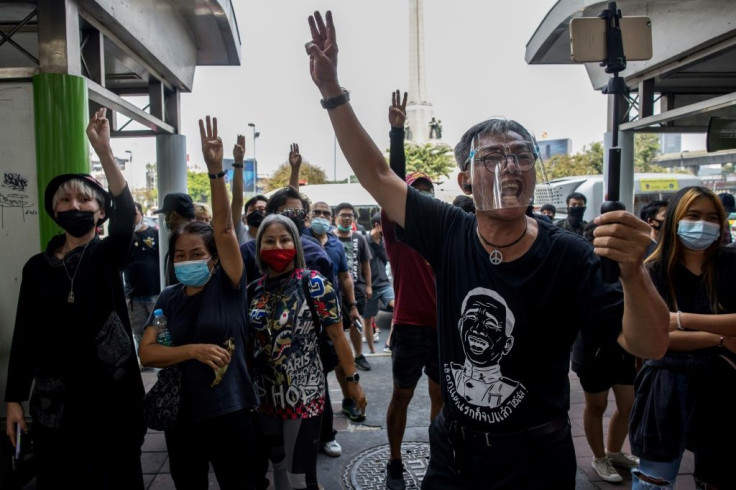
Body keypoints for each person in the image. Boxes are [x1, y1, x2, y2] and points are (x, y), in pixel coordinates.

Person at [305, 11, 669, 487]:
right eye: (492, 157)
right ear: (464, 179)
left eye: (521, 155)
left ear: (534, 172)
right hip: (453, 455)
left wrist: (633, 272)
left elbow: (650, 344)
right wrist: (333, 92)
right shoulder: (449, 231)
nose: (509, 166)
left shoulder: (571, 256)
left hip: (536, 458)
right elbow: (378, 176)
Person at [5, 107, 146, 489]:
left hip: (112, 401)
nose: (74, 207)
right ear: (54, 211)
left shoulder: (107, 253)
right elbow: (25, 336)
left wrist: (103, 152)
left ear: (100, 213)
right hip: (55, 406)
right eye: (65, 201)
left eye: (85, 201)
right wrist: (14, 399)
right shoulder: (37, 267)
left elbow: (126, 216)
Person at [138, 116, 259, 490]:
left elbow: (225, 228)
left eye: (196, 253)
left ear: (214, 257)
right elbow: (148, 352)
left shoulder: (229, 285)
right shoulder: (169, 298)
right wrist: (191, 350)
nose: (187, 261)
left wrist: (216, 171)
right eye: (179, 256)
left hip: (232, 413)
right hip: (182, 419)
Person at [248, 213, 366, 490]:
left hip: (304, 395)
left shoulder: (314, 283)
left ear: (296, 245)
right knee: (277, 467)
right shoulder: (254, 290)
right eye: (270, 241)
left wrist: (353, 383)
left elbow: (338, 336)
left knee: (300, 478)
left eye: (285, 239)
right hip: (264, 397)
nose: (278, 247)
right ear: (259, 247)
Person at [630, 186, 736, 490]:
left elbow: (668, 326)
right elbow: (655, 336)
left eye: (711, 217)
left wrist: (680, 319)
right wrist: (718, 338)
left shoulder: (730, 264)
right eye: (694, 215)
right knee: (655, 480)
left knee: (718, 476)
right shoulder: (652, 270)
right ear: (676, 218)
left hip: (722, 386)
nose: (703, 224)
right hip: (664, 388)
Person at [383, 89, 443, 490]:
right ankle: (394, 459)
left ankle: (441, 457)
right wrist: (396, 135)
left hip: (442, 330)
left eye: (427, 191)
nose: (422, 196)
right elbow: (391, 182)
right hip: (408, 327)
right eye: (414, 192)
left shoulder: (446, 233)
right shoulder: (398, 232)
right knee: (402, 396)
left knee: (442, 399)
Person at [574, 223, 639, 483]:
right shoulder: (585, 268)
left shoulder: (632, 267)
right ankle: (599, 457)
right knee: (596, 405)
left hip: (624, 351)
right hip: (593, 351)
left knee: (628, 405)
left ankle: (614, 452)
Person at [307, 200, 366, 446]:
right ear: (308, 217)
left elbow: (345, 277)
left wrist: (352, 306)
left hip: (333, 311)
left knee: (343, 359)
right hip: (307, 316)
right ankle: (319, 431)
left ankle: (349, 401)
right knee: (315, 374)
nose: (321, 216)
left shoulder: (335, 244)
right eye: (317, 212)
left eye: (325, 213)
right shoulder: (301, 240)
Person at [333, 202, 373, 371]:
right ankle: (340, 357)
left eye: (350, 215)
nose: (347, 218)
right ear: (336, 218)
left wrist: (369, 286)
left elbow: (365, 264)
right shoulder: (330, 237)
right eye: (343, 214)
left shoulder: (359, 238)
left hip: (357, 288)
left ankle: (358, 355)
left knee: (356, 322)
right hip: (335, 289)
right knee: (337, 325)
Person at [124, 202, 161, 346]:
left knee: (159, 329)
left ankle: (161, 358)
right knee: (138, 330)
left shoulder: (154, 234)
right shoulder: (124, 238)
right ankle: (145, 358)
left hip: (154, 292)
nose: (132, 217)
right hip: (134, 295)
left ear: (142, 214)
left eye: (135, 213)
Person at [363, 212, 395, 353]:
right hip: (368, 286)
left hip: (384, 284)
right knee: (368, 319)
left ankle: (388, 344)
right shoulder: (363, 240)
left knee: (399, 309)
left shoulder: (385, 241)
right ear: (377, 225)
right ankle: (371, 350)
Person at [156, 192, 196, 285]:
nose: (165, 219)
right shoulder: (198, 235)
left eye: (166, 215)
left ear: (173, 215)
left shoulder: (183, 241)